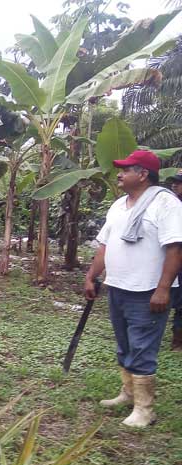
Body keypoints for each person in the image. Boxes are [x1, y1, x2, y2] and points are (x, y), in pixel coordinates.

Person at [84, 150, 182, 428]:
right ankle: (128, 393)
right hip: (118, 287)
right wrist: (92, 275)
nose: (119, 174)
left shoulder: (166, 204)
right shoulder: (118, 206)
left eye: (126, 170)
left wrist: (163, 289)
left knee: (142, 347)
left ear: (142, 175)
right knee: (125, 343)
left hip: (148, 290)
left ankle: (145, 409)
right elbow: (106, 245)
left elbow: (175, 248)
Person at [166, 169, 182, 349]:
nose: (174, 185)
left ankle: (178, 340)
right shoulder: (170, 206)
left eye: (179, 182)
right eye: (174, 181)